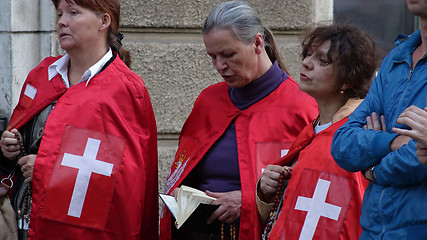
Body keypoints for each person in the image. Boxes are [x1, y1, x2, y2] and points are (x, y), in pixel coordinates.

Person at [159, 1, 318, 239]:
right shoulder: (208, 100)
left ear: (256, 43)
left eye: (228, 54)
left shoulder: (302, 106)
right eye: (212, 56)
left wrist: (248, 200)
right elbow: (184, 169)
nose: (219, 66)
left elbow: (310, 189)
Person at [0, 0, 158, 239]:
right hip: (23, 222)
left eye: (73, 13)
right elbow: (26, 138)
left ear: (104, 21)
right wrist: (10, 148)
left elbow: (126, 181)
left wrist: (48, 168)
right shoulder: (42, 75)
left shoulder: (125, 88)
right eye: (60, 13)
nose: (62, 21)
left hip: (76, 230)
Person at [257, 24, 376, 240]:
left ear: (348, 79)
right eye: (308, 54)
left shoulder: (359, 133)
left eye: (322, 61)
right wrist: (267, 191)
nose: (306, 63)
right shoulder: (311, 132)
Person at [331, 0, 427, 238]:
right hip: (373, 230)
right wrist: (392, 142)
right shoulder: (397, 56)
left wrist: (371, 170)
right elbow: (344, 142)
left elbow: (418, 159)